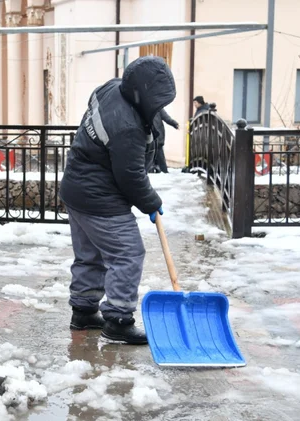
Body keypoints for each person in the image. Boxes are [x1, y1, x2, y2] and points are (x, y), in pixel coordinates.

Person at [59, 56, 175, 345]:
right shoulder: (127, 128)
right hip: (100, 197)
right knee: (127, 254)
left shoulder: (112, 88)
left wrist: (156, 115)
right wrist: (150, 201)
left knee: (90, 255)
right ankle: (118, 320)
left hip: (77, 188)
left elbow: (119, 112)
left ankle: (84, 312)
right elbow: (131, 176)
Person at [150, 109, 179, 174]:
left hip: (152, 134)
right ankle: (163, 171)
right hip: (156, 134)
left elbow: (166, 117)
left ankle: (157, 170)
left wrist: (174, 123)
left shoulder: (144, 104)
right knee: (159, 154)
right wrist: (174, 124)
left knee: (152, 153)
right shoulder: (158, 106)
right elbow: (166, 117)